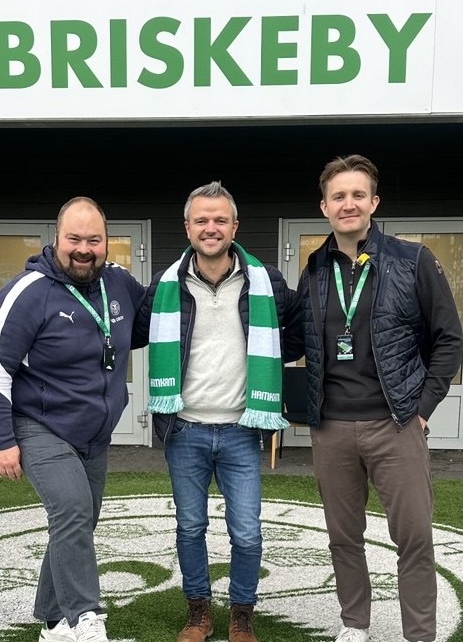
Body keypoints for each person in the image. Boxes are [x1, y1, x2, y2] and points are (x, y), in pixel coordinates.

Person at [296, 155, 463, 642]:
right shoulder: (315, 269)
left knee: (414, 538)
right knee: (343, 537)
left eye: (357, 195)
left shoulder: (413, 260)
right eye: (338, 196)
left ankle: (419, 634)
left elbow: (448, 339)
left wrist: (422, 410)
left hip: (396, 424)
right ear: (324, 206)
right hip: (331, 427)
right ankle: (355, 624)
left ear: (374, 202)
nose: (347, 204)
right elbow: (297, 339)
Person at [133, 181, 303, 642]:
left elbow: (295, 334)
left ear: (235, 227)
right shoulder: (165, 285)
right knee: (190, 527)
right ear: (187, 227)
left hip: (241, 429)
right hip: (184, 429)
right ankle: (198, 612)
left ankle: (241, 613)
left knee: (246, 532)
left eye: (220, 220)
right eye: (202, 220)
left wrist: (268, 367)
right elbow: (131, 332)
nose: (211, 228)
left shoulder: (266, 281)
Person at [0, 196, 146, 642]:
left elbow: (149, 322)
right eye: (74, 239)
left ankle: (53, 623)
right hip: (39, 424)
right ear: (56, 238)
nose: (84, 249)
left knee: (79, 521)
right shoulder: (28, 291)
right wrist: (0, 440)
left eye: (94, 240)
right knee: (71, 510)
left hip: (94, 433)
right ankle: (85, 619)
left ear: (107, 241)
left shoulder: (119, 282)